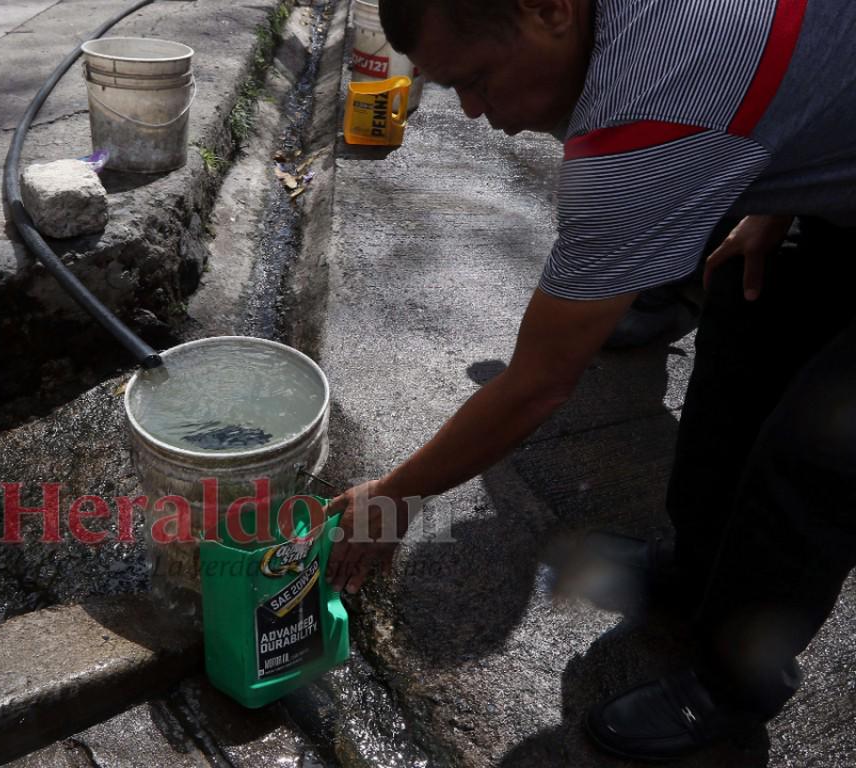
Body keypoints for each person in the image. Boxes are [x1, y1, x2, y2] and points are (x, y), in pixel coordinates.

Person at [325, 0, 856, 761]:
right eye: (451, 91)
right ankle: (699, 571)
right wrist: (782, 194)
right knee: (743, 327)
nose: (475, 113)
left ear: (550, 11)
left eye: (477, 80)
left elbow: (540, 383)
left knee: (816, 454)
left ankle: (735, 681)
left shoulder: (638, 126)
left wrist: (394, 491)